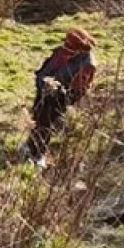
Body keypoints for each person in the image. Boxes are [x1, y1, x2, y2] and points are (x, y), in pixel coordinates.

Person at [25, 28, 96, 168]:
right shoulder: (61, 52)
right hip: (44, 91)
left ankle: (39, 156)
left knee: (47, 124)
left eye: (68, 46)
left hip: (59, 98)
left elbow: (79, 90)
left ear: (79, 49)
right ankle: (30, 146)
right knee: (38, 118)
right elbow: (46, 68)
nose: (65, 47)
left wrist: (58, 96)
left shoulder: (87, 65)